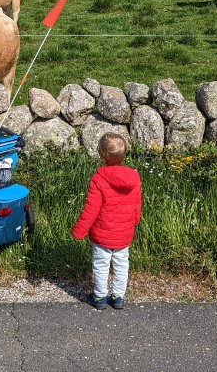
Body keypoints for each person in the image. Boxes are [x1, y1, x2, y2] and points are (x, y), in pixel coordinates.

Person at [71, 132, 142, 310]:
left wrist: (79, 230)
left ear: (102, 155)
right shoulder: (134, 177)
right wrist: (135, 220)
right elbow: (136, 203)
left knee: (101, 265)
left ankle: (100, 297)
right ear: (124, 154)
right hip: (124, 233)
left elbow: (91, 209)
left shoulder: (98, 179)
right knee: (121, 264)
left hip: (102, 234)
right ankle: (118, 297)